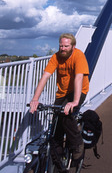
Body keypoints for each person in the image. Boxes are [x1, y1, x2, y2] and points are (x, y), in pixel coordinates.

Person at [30, 33, 90, 162]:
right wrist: (35, 98)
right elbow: (45, 76)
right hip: (62, 92)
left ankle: (77, 143)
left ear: (73, 46)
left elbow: (79, 77)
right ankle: (57, 162)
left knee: (66, 113)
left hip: (78, 91)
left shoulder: (78, 56)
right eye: (61, 46)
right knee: (56, 126)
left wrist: (74, 101)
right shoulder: (56, 57)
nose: (63, 48)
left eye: (66, 46)